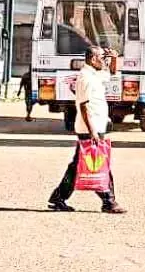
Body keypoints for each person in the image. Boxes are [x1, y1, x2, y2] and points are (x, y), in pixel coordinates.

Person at [48, 46, 126, 214]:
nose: (103, 61)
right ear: (92, 59)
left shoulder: (95, 74)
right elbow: (83, 106)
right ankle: (109, 201)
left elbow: (112, 73)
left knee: (78, 165)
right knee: (99, 163)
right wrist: (93, 132)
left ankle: (58, 198)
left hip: (96, 126)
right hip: (89, 128)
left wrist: (114, 58)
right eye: (101, 58)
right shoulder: (85, 78)